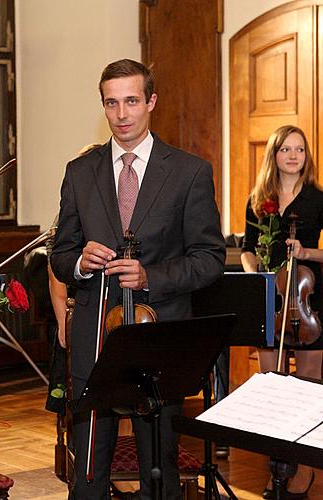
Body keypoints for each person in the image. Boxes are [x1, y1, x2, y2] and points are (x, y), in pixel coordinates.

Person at [50, 59, 225, 499]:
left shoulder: (189, 172)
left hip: (161, 333)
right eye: (112, 103)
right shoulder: (79, 171)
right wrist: (79, 263)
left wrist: (151, 276)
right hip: (94, 336)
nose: (122, 114)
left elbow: (209, 259)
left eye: (131, 101)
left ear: (151, 101)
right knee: (88, 466)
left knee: (158, 466)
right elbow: (60, 256)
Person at [241, 124, 323, 499]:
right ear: (273, 155)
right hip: (271, 301)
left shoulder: (318, 199)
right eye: (286, 149)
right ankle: (278, 467)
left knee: (308, 388)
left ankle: (305, 468)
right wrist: (253, 274)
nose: (293, 156)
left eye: (300, 150)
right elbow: (246, 246)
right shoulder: (258, 199)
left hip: (309, 301)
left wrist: (307, 254)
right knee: (272, 387)